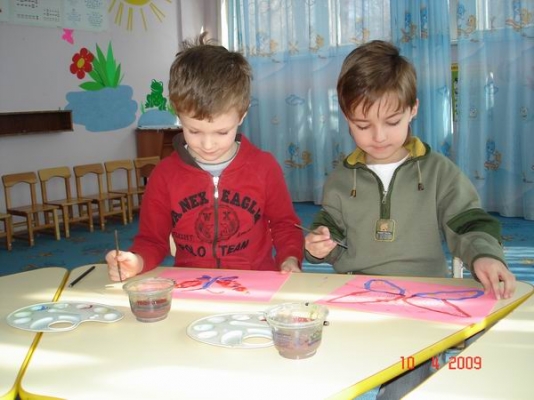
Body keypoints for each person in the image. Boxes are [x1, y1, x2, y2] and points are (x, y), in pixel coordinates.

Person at [303, 40, 516, 399]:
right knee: (313, 368)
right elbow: (330, 233)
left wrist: (484, 255)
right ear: (346, 118)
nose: (379, 136)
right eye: (362, 125)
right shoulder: (341, 179)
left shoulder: (438, 172)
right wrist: (318, 245)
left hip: (422, 303)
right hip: (356, 300)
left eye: (392, 121)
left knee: (413, 382)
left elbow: (469, 221)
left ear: (413, 109)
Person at [106, 32, 303, 281]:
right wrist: (136, 261)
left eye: (222, 132)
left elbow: (285, 226)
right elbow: (151, 240)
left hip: (256, 284)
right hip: (193, 286)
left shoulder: (264, 167)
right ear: (178, 114)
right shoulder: (164, 176)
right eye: (194, 131)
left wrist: (289, 258)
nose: (208, 145)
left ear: (242, 115)